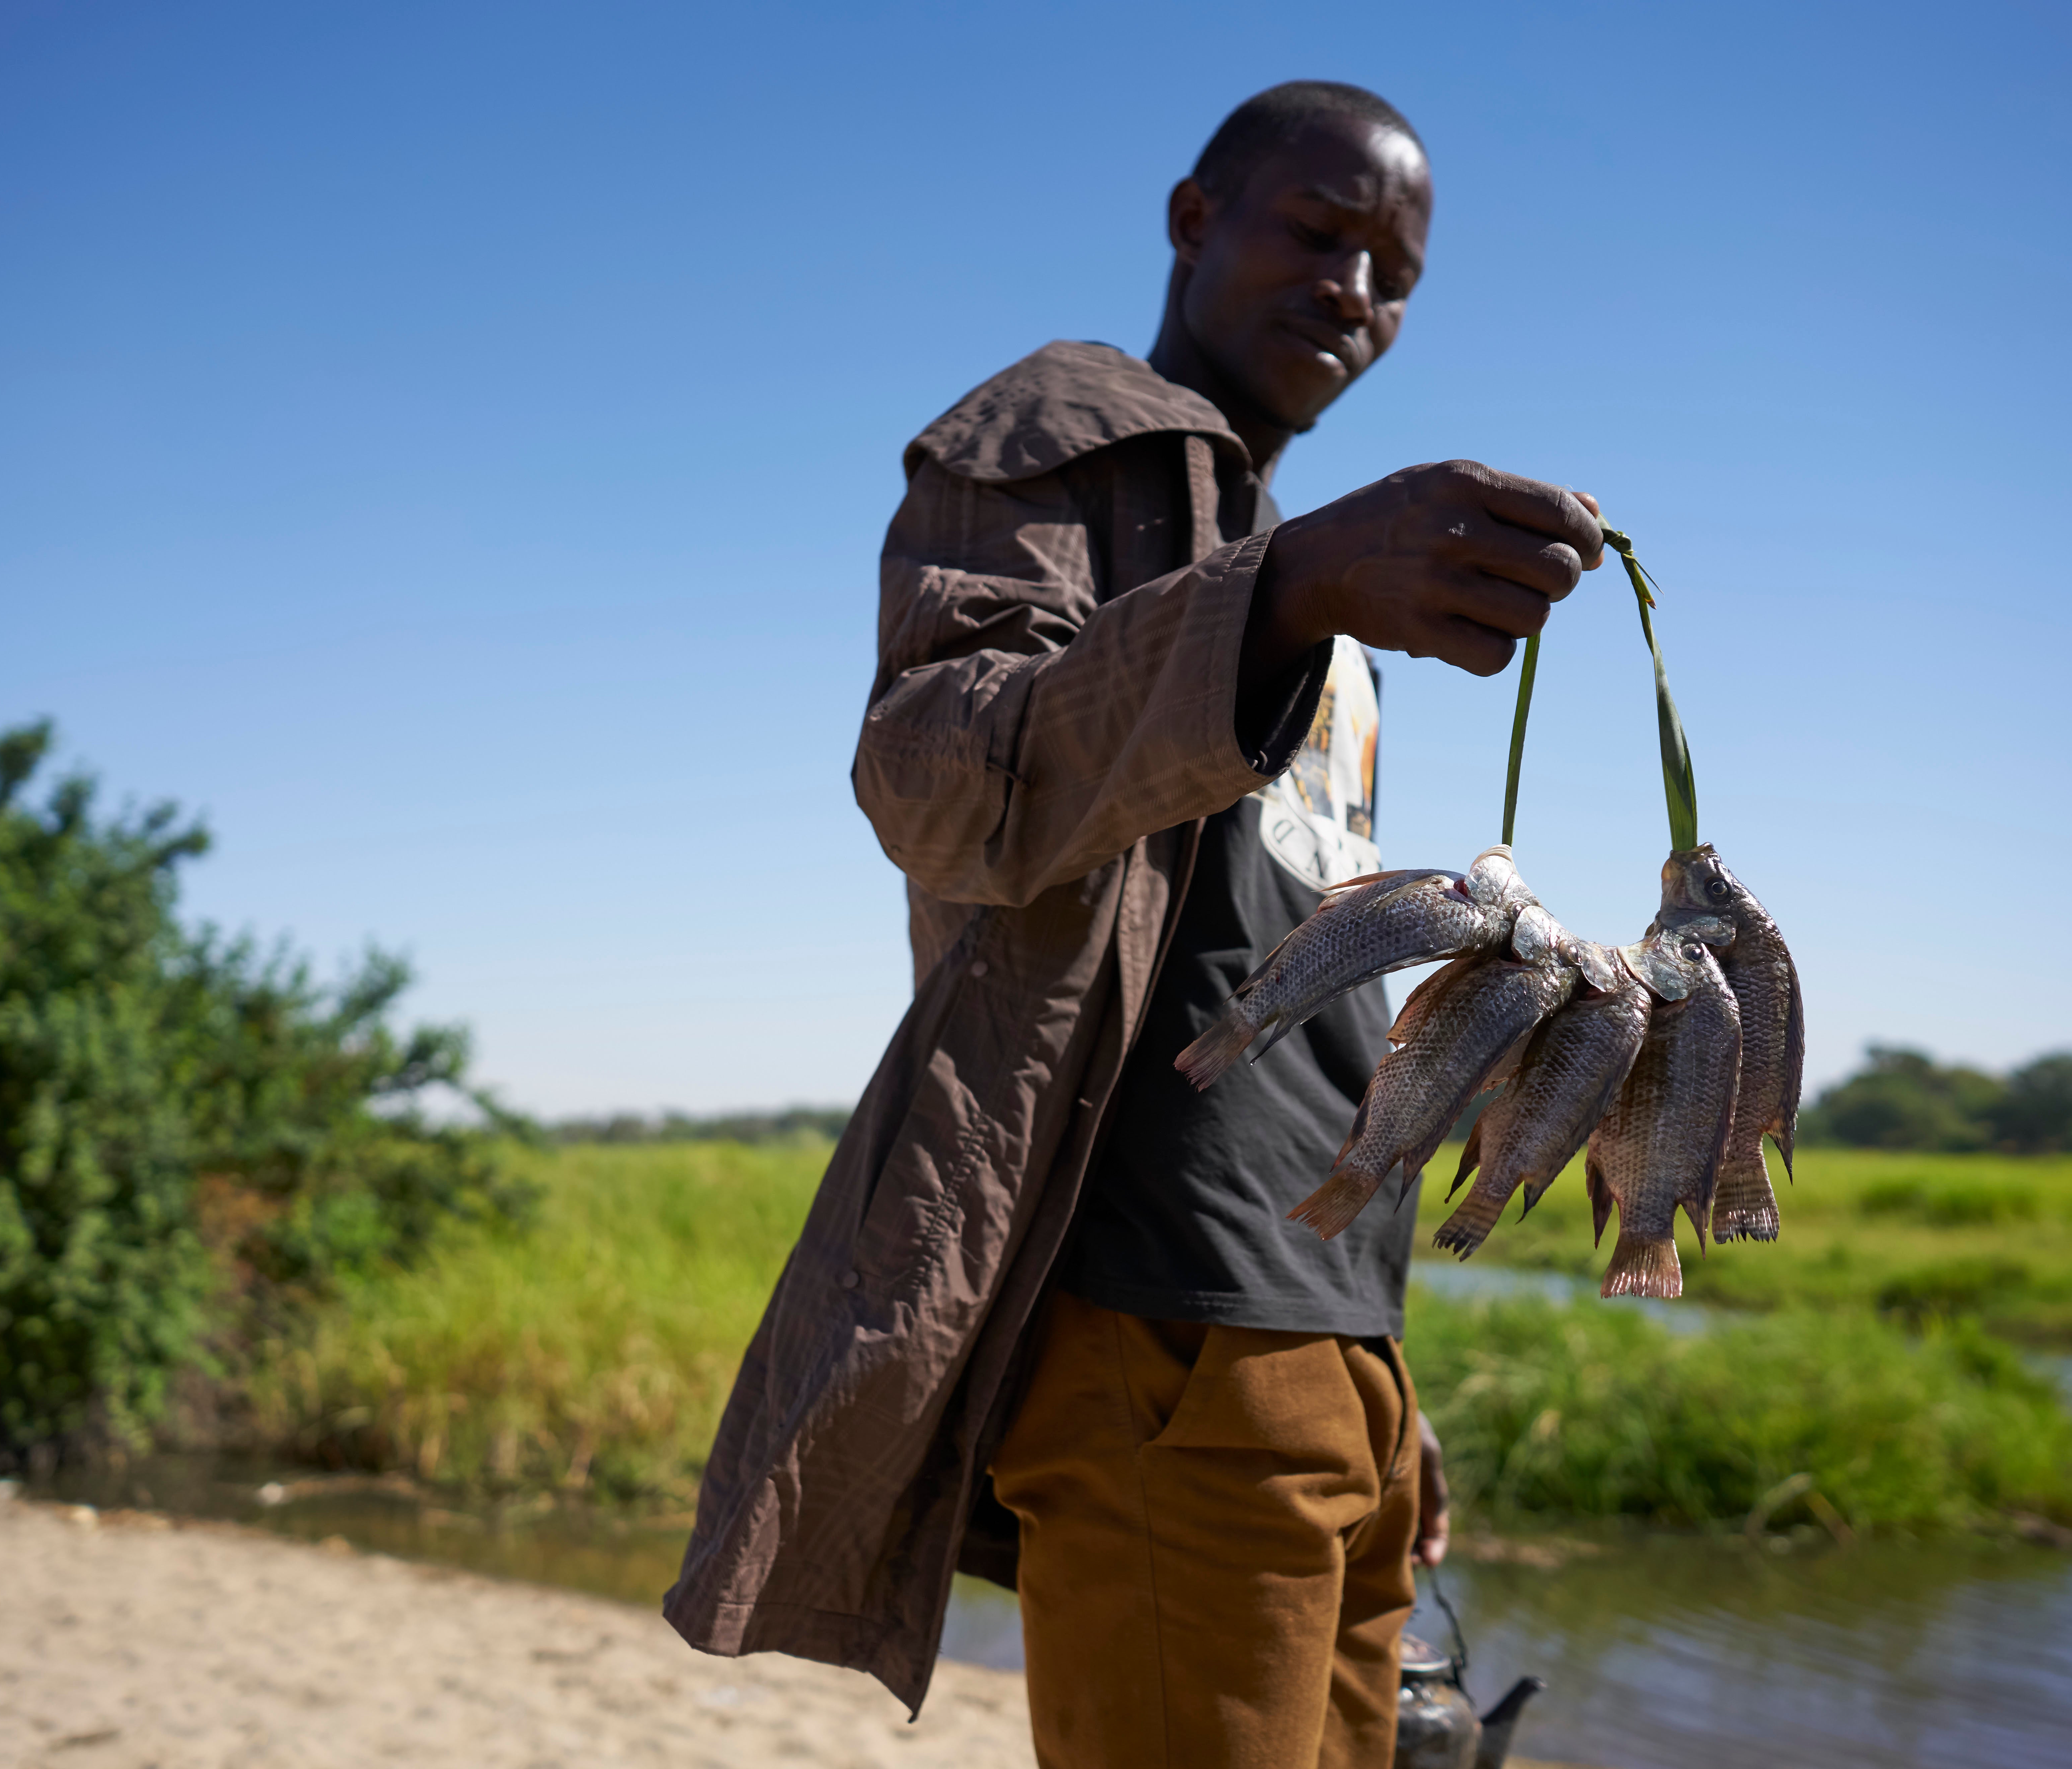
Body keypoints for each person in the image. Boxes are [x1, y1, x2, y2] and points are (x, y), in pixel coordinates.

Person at [665, 80, 1606, 1768]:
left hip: (1326, 1342)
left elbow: (1291, 1006)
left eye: (1392, 273)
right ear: (1190, 218)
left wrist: (1376, 1370)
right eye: (1317, 234)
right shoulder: (1065, 436)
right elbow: (936, 779)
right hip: (1161, 1331)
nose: (1352, 293)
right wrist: (1294, 584)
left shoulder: (1307, 579)